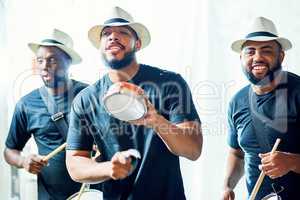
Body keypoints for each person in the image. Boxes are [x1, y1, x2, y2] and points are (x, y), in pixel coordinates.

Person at [66, 6, 203, 200]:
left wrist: (155, 120)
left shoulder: (170, 84)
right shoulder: (85, 99)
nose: (113, 36)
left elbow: (193, 149)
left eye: (122, 32)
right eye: (106, 34)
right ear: (100, 45)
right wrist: (108, 168)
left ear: (137, 44)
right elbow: (75, 165)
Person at [4, 29, 88, 199]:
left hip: (92, 192)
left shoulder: (90, 94)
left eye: (52, 60)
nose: (44, 66)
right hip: (50, 195)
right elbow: (10, 150)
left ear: (68, 62)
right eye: (40, 60)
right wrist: (23, 161)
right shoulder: (26, 104)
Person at [222, 17, 300, 200]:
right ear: (241, 57)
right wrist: (227, 185)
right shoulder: (237, 102)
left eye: (266, 50)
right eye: (250, 51)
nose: (257, 57)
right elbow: (237, 153)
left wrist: (292, 162)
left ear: (281, 56)